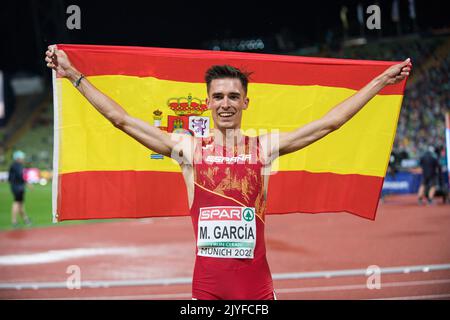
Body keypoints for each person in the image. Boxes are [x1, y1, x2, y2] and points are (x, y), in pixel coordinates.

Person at [45, 45, 411, 300]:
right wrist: (74, 74)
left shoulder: (263, 148)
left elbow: (330, 123)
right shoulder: (188, 149)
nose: (225, 104)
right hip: (206, 285)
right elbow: (120, 119)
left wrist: (380, 81)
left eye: (233, 97)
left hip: (255, 286)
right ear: (207, 101)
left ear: (245, 102)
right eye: (218, 96)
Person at [8, 150, 32, 228]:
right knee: (17, 203)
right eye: (22, 158)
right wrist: (27, 184)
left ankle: (26, 219)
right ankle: (14, 221)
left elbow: (10, 178)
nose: (23, 159)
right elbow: (20, 176)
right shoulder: (18, 166)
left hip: (14, 186)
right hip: (18, 186)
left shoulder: (13, 165)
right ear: (18, 158)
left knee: (20, 203)